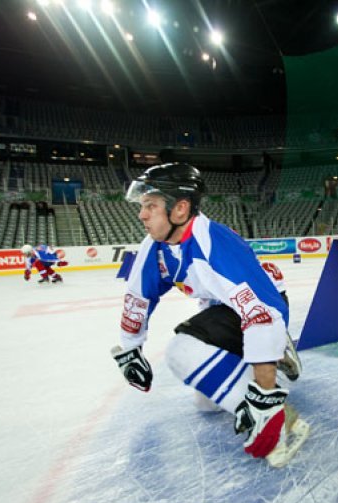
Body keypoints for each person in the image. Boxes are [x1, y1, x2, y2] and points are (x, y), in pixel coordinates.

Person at [111, 163, 308, 468]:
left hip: (264, 305)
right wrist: (130, 349)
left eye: (150, 206)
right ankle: (266, 358)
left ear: (180, 209)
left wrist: (264, 399)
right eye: (142, 206)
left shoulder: (214, 246)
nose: (142, 214)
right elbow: (139, 294)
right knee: (208, 402)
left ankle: (278, 415)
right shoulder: (156, 247)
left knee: (183, 352)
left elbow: (264, 313)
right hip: (222, 307)